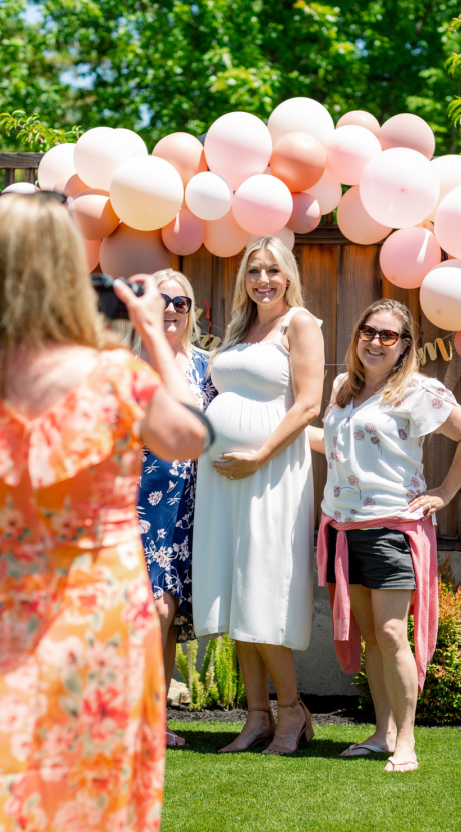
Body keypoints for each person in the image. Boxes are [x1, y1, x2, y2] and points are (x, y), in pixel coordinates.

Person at [0, 192, 207, 832]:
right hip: (98, 617)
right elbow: (190, 437)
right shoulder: (115, 377)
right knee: (92, 785)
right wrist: (152, 334)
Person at [309, 299, 461, 772]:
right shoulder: (342, 388)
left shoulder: (417, 390)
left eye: (388, 335)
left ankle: (406, 742)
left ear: (405, 345)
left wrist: (443, 492)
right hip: (342, 526)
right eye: (368, 331)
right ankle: (382, 733)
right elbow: (333, 444)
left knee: (391, 633)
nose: (375, 341)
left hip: (392, 527)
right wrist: (272, 432)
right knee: (371, 636)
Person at [192, 235, 324, 755]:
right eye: (253, 270)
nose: (262, 280)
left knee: (261, 588)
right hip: (223, 480)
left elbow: (308, 405)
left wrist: (259, 454)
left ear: (288, 275)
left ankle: (292, 712)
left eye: (272, 270)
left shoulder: (300, 324)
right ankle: (256, 717)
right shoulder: (238, 329)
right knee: (234, 591)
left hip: (271, 474)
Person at [136, 268, 216, 749]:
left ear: (191, 312)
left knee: (170, 613)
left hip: (191, 504)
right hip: (137, 500)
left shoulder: (208, 367)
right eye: (160, 300)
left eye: (179, 302)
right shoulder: (127, 363)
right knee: (153, 610)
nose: (169, 309)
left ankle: (155, 720)